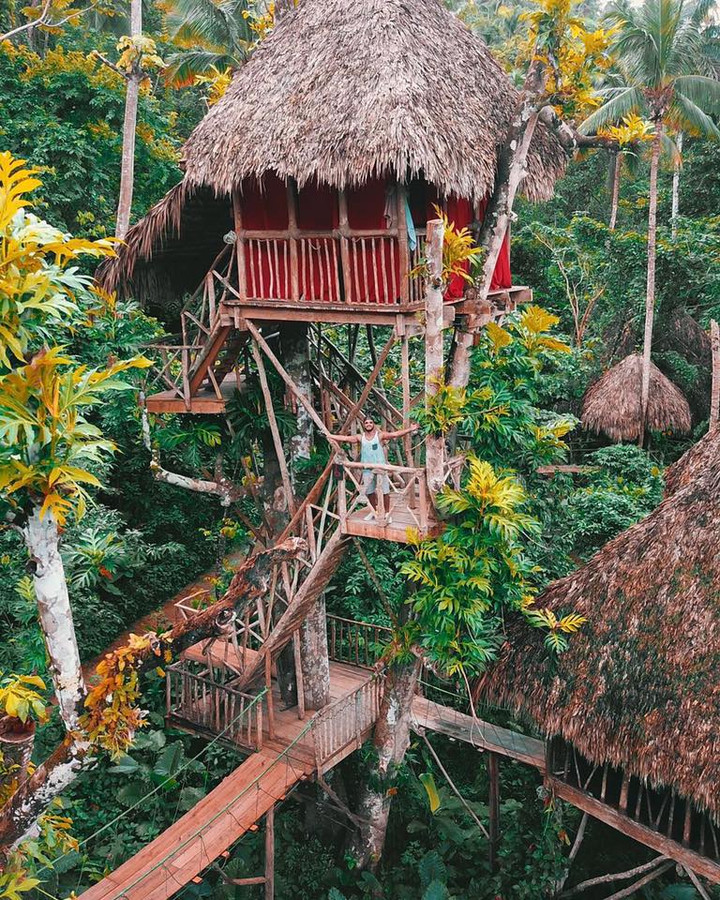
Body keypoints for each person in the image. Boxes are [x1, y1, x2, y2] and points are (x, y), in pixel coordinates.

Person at [331, 415, 418, 523]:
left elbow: (395, 434)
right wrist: (331, 436)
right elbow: (346, 438)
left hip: (380, 469)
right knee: (370, 492)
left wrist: (411, 429)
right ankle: (373, 511)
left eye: (370, 422)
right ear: (364, 425)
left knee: (385, 491)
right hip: (367, 469)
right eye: (366, 423)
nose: (368, 424)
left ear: (373, 424)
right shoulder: (360, 437)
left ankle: (387, 513)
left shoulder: (379, 435)